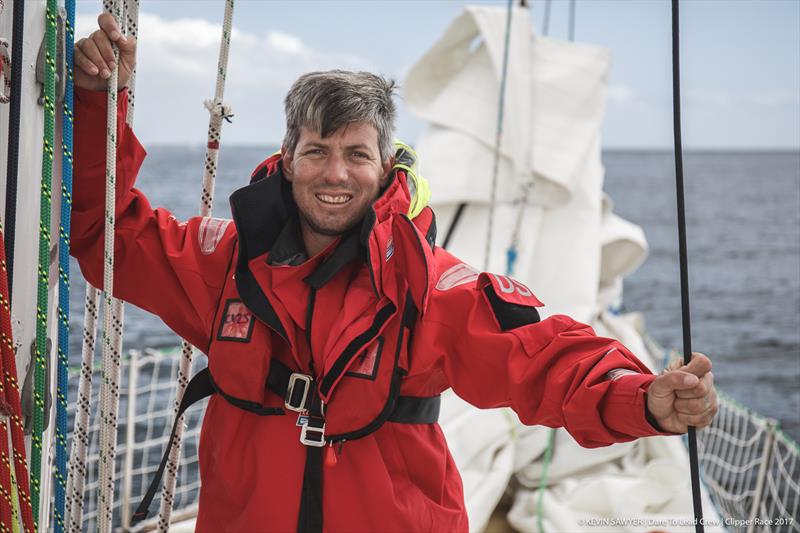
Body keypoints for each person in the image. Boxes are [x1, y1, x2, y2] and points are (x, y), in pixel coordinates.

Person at [71, 14, 718, 533]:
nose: (335, 173)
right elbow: (109, 236)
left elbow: (539, 350)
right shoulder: (226, 264)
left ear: (385, 166)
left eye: (356, 153)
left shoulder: (425, 285)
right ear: (288, 158)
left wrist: (641, 396)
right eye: (317, 151)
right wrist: (102, 101)